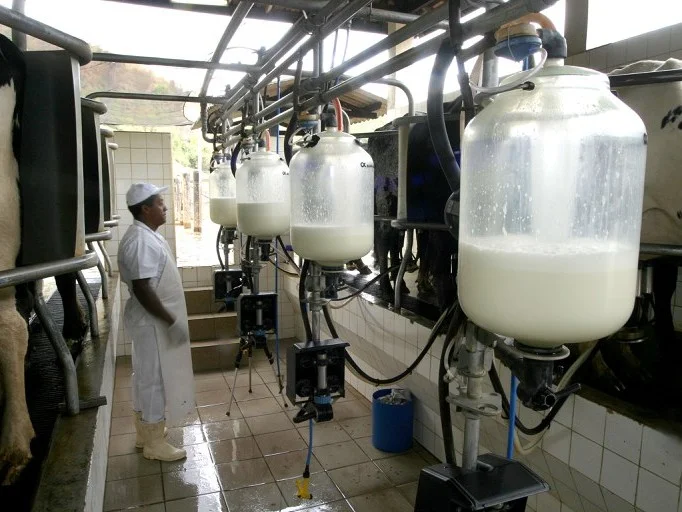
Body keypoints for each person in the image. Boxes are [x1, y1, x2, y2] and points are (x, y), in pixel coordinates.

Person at [118, 183, 195, 461]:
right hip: (150, 322)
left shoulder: (147, 235)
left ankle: (145, 433)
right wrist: (169, 320)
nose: (166, 208)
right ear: (145, 208)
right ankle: (153, 444)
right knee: (153, 379)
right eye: (160, 203)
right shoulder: (140, 241)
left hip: (150, 322)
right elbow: (142, 288)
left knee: (145, 376)